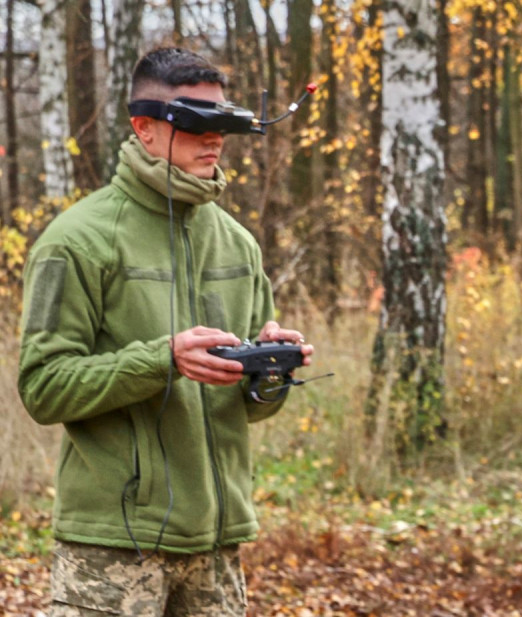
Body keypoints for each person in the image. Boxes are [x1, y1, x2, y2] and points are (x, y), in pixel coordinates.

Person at [17, 47, 313, 615]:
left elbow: (249, 409)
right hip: (113, 546)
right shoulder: (77, 240)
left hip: (217, 543)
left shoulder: (237, 244)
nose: (215, 141)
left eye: (223, 123)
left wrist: (269, 370)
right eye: (196, 124)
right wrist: (164, 360)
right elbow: (43, 386)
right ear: (144, 129)